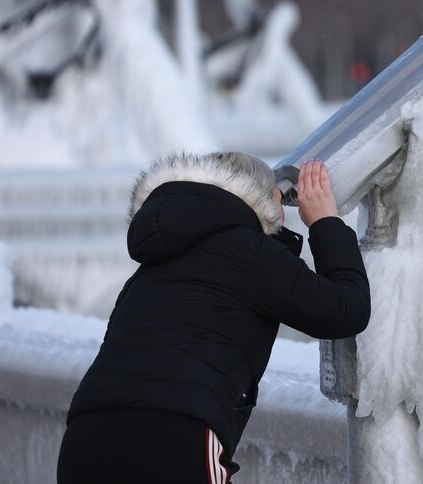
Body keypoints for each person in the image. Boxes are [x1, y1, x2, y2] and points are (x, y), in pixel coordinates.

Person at [57, 153, 371, 483]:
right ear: (256, 201)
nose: (281, 217)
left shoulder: (152, 265)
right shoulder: (248, 250)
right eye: (279, 204)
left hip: (86, 437)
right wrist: (324, 222)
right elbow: (346, 309)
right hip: (173, 436)